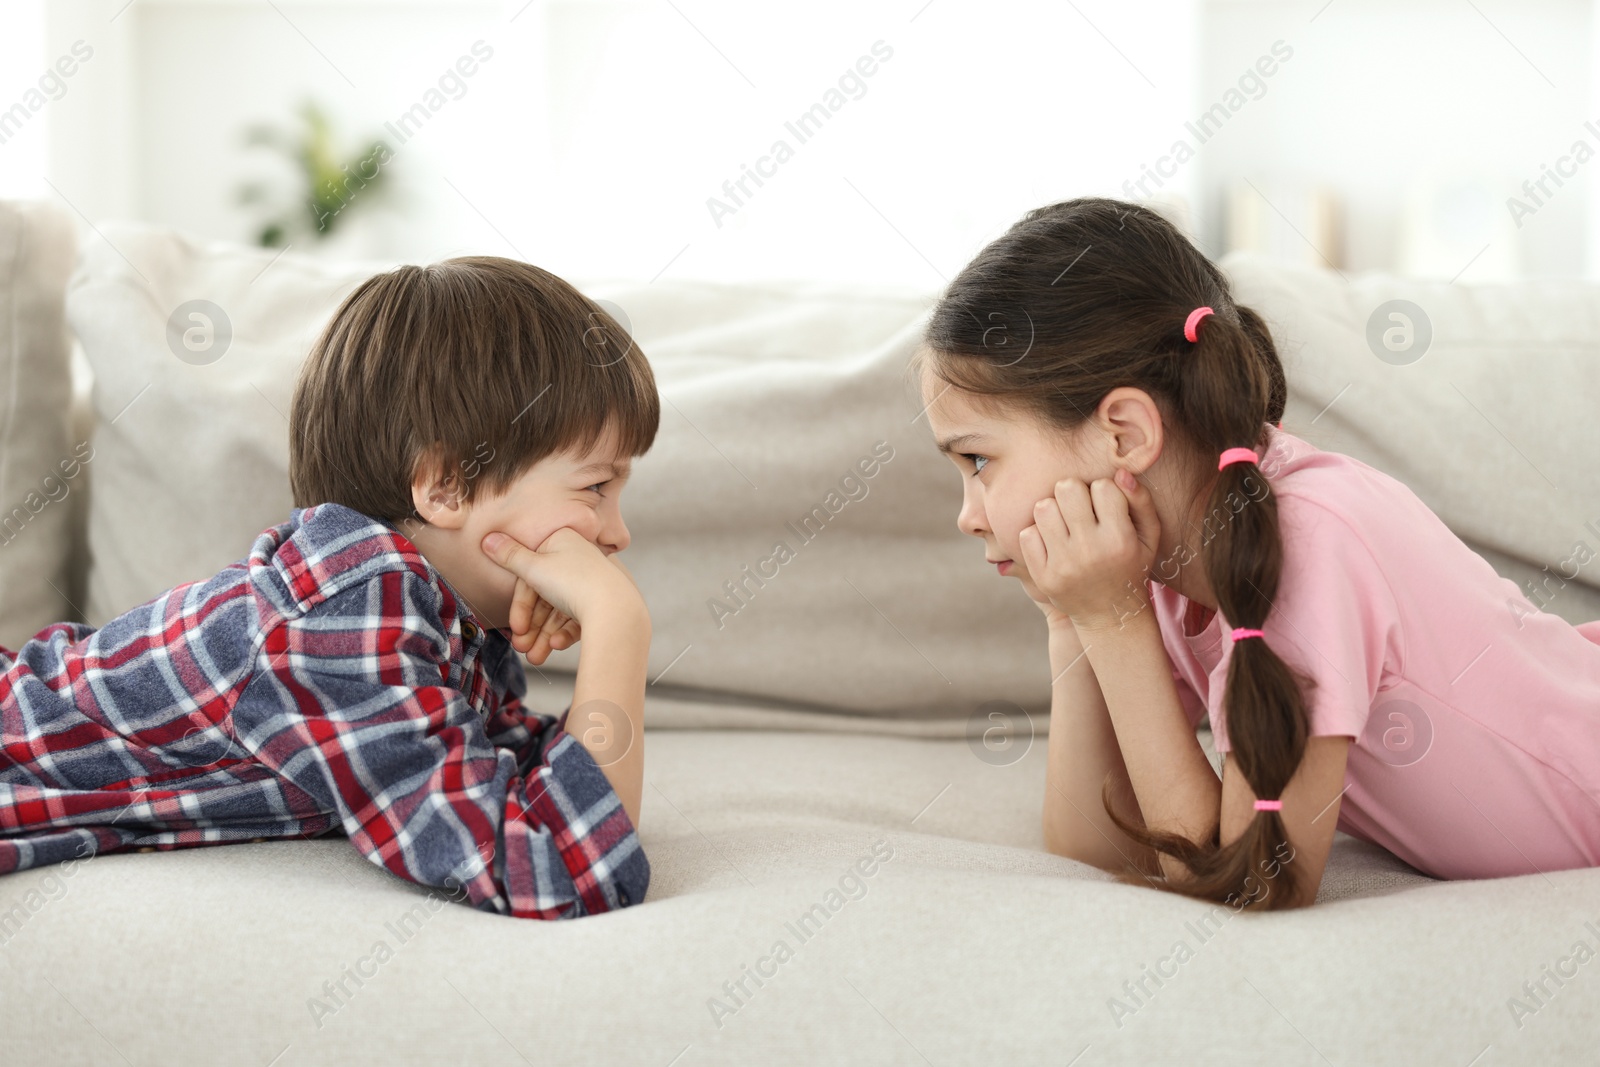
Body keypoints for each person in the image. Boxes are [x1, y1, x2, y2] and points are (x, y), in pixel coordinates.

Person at [911, 196, 1600, 909]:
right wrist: (1075, 620)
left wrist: (1113, 624)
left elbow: (1254, 881)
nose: (968, 514)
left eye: (977, 460)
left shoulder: (1305, 544)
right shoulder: (1163, 564)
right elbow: (1094, 841)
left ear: (1123, 434)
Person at [0, 256, 657, 920]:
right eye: (596, 487)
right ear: (447, 486)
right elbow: (563, 864)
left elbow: (534, 782)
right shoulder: (347, 615)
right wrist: (617, 622)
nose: (618, 534)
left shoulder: (442, 618)